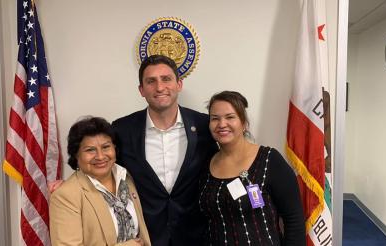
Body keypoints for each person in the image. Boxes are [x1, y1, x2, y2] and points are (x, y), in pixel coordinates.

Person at [111, 55, 218, 245]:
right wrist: (73, 185)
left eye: (166, 79)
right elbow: (105, 170)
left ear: (179, 84)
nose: (160, 87)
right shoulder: (122, 130)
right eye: (151, 81)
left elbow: (225, 162)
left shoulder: (204, 125)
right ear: (141, 90)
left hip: (197, 236)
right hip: (146, 237)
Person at [199, 91, 306, 245]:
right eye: (215, 118)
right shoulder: (206, 165)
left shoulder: (269, 159)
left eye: (230, 117)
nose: (222, 124)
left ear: (244, 124)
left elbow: (294, 219)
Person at [49, 116, 151, 246]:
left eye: (106, 147)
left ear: (114, 148)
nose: (100, 156)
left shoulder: (126, 177)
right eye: (90, 150)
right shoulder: (65, 196)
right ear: (76, 154)